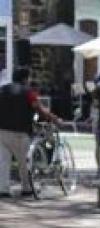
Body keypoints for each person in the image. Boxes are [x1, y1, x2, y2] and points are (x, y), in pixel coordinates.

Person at [0, 67, 61, 197]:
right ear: (25, 79)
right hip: (20, 131)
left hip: (2, 131)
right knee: (23, 161)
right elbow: (39, 109)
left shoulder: (2, 90)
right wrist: (53, 118)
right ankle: (26, 188)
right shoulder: (29, 92)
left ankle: (3, 189)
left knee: (4, 161)